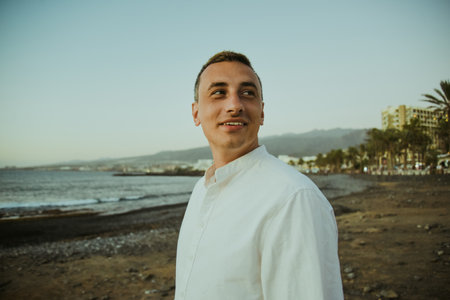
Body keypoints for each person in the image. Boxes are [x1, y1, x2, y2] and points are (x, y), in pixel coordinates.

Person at [175, 51, 344, 299]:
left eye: (247, 93)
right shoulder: (201, 189)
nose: (234, 105)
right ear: (196, 112)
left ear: (262, 112)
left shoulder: (293, 199)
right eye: (219, 92)